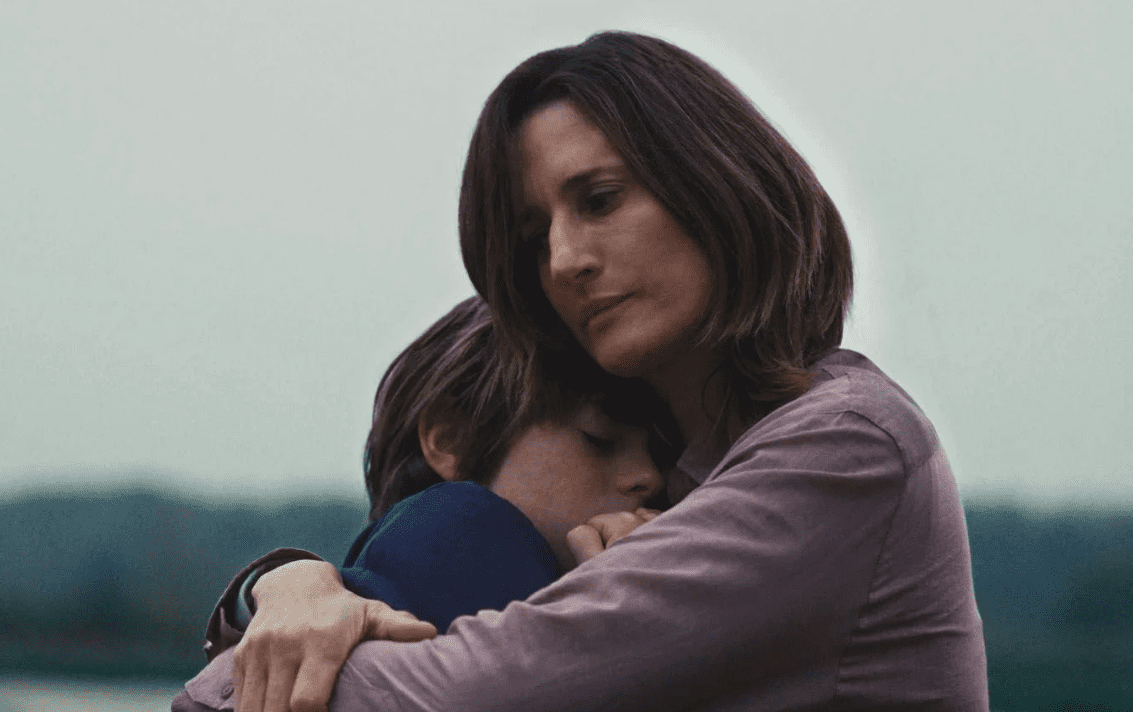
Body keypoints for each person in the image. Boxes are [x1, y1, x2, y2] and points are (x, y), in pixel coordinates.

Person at [178, 31, 989, 712]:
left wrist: (254, 651)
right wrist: (288, 588)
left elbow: (462, 696)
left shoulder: (843, 446)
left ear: (713, 181)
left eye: (598, 200)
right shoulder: (683, 486)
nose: (564, 260)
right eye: (535, 238)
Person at [173, 295, 674, 710]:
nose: (648, 477)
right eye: (600, 440)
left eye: (663, 455)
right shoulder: (465, 526)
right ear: (451, 438)